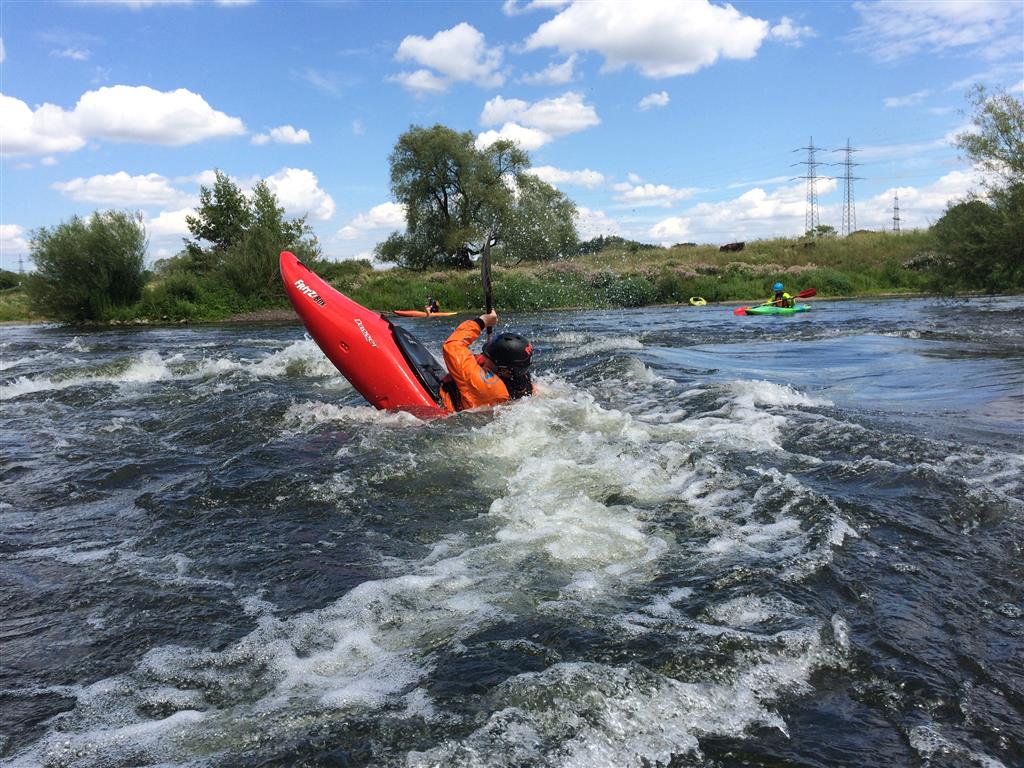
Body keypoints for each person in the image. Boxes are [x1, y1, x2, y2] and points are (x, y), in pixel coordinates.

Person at [439, 310, 533, 412]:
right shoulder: (521, 378)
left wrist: (482, 321)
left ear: (503, 370)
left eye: (488, 357)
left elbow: (452, 346)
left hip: (443, 405)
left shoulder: (485, 384)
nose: (483, 356)